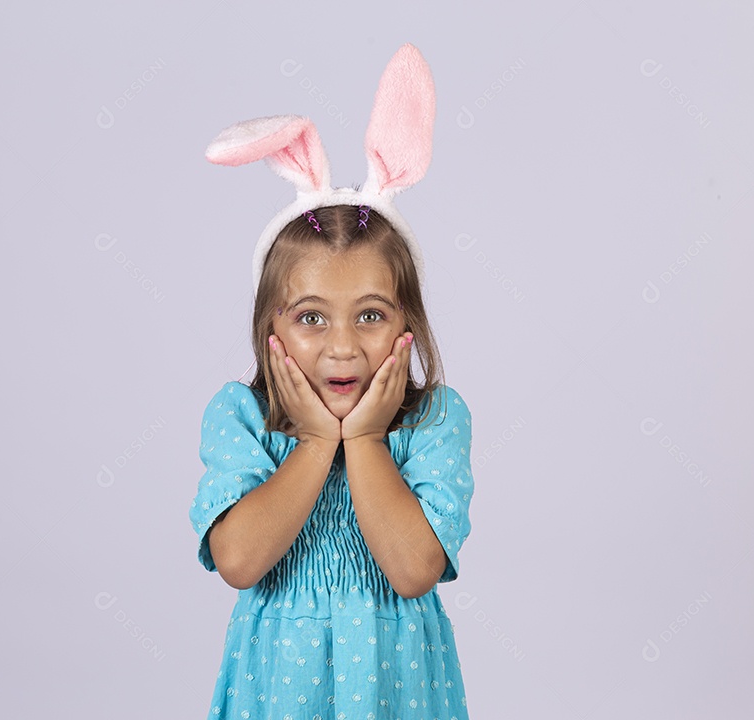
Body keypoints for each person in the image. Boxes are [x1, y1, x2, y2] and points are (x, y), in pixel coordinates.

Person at [189, 45, 474, 719]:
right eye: (312, 317)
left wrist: (367, 438)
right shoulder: (241, 418)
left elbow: (412, 570)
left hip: (398, 695)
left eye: (371, 315)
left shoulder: (435, 421)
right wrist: (317, 442)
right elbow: (238, 560)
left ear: (410, 320)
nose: (343, 346)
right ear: (272, 328)